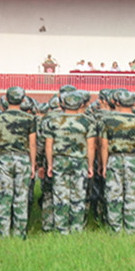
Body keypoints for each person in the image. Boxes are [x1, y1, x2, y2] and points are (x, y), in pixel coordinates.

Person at [43, 91, 97, 234]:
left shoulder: (52, 121)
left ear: (62, 104)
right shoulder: (87, 121)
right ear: (80, 104)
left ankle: (61, 230)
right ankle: (77, 229)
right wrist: (90, 166)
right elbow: (91, 146)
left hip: (60, 161)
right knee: (78, 196)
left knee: (60, 196)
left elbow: (48, 145)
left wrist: (50, 165)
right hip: (80, 161)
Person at [0, 86, 37, 239]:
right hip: (23, 159)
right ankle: (19, 233)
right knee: (21, 197)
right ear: (23, 100)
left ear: (6, 99)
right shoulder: (30, 119)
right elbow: (32, 144)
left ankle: (3, 233)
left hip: (3, 159)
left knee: (4, 197)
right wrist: (33, 165)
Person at [98, 89, 135, 234]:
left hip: (114, 159)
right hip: (133, 159)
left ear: (117, 102)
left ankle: (115, 230)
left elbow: (103, 146)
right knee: (132, 196)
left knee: (113, 195)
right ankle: (131, 229)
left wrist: (104, 165)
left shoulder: (107, 121)